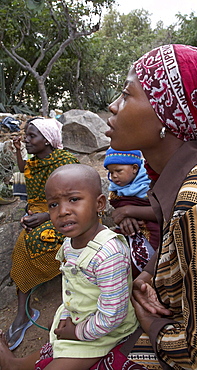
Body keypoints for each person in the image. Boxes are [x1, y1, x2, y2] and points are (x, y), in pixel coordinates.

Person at [104, 44, 197, 368]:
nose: (113, 107)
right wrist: (149, 273)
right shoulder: (182, 175)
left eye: (126, 95)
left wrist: (150, 323)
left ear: (166, 117)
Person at [0, 163, 139, 370]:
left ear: (99, 204)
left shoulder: (108, 254)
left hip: (107, 332)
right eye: (53, 205)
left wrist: (75, 332)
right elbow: (73, 288)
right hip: (82, 316)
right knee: (53, 344)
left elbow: (112, 316)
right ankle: (14, 364)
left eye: (74, 199)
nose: (63, 211)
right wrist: (65, 316)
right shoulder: (70, 243)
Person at [6, 117, 80, 351]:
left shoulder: (66, 162)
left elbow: (78, 198)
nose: (27, 140)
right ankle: (23, 313)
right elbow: (24, 172)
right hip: (40, 212)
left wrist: (47, 216)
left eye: (31, 136)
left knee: (40, 240)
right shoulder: (35, 162)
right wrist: (32, 214)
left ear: (47, 140)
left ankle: (66, 303)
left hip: (66, 214)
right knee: (23, 242)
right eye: (26, 136)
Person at [104, 148, 160, 278]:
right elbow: (116, 208)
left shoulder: (150, 182)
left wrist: (127, 211)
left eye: (118, 171)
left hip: (153, 229)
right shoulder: (117, 188)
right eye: (111, 172)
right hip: (128, 230)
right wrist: (124, 217)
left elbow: (164, 210)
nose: (114, 176)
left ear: (135, 168)